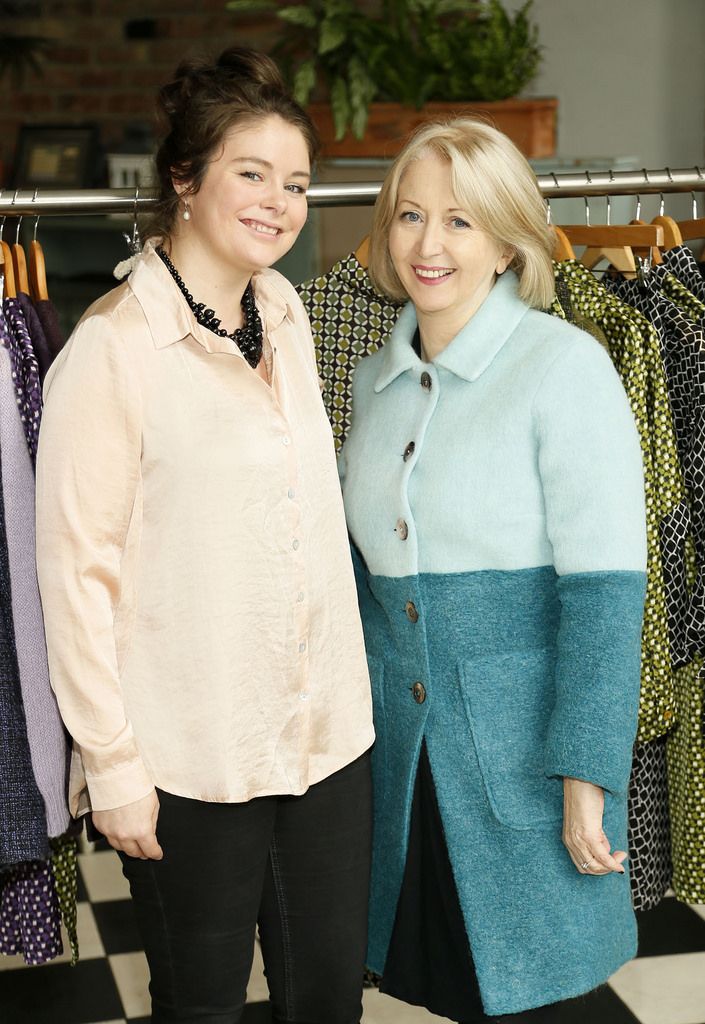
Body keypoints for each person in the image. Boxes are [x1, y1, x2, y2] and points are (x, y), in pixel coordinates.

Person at [35, 47, 374, 1024]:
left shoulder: (287, 311)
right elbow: (76, 579)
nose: (280, 201)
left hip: (326, 740)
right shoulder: (111, 350)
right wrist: (113, 768)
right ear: (184, 179)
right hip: (192, 757)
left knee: (326, 1002)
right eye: (252, 173)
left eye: (297, 182)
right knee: (202, 1007)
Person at [339, 118, 647, 1023]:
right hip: (401, 759)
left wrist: (585, 775)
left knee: (542, 997)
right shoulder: (369, 382)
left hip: (525, 761)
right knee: (449, 991)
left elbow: (604, 598)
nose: (428, 245)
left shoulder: (565, 368)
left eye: (461, 221)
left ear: (510, 239)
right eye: (409, 215)